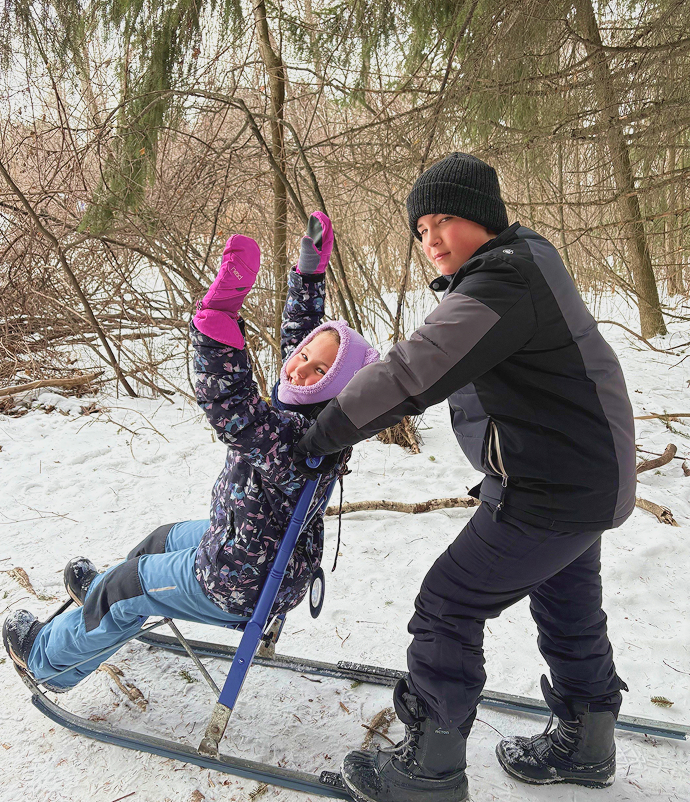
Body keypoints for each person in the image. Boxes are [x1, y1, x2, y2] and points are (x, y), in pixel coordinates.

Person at [294, 153, 636, 802]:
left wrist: (325, 430)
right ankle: (586, 743)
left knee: (448, 603)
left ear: (483, 218)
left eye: (444, 219)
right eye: (421, 230)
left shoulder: (502, 282)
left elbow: (412, 371)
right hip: (581, 477)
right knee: (568, 608)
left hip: (555, 489)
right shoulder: (524, 260)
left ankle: (430, 768)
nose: (431, 240)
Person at [3, 213, 379, 693]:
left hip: (235, 580)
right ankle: (102, 602)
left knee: (126, 589)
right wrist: (308, 274)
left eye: (319, 369)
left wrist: (219, 315)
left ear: (337, 386)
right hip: (252, 552)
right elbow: (301, 343)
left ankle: (47, 661)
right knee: (159, 540)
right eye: (304, 357)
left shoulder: (295, 439)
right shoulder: (319, 418)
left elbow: (231, 404)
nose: (300, 369)